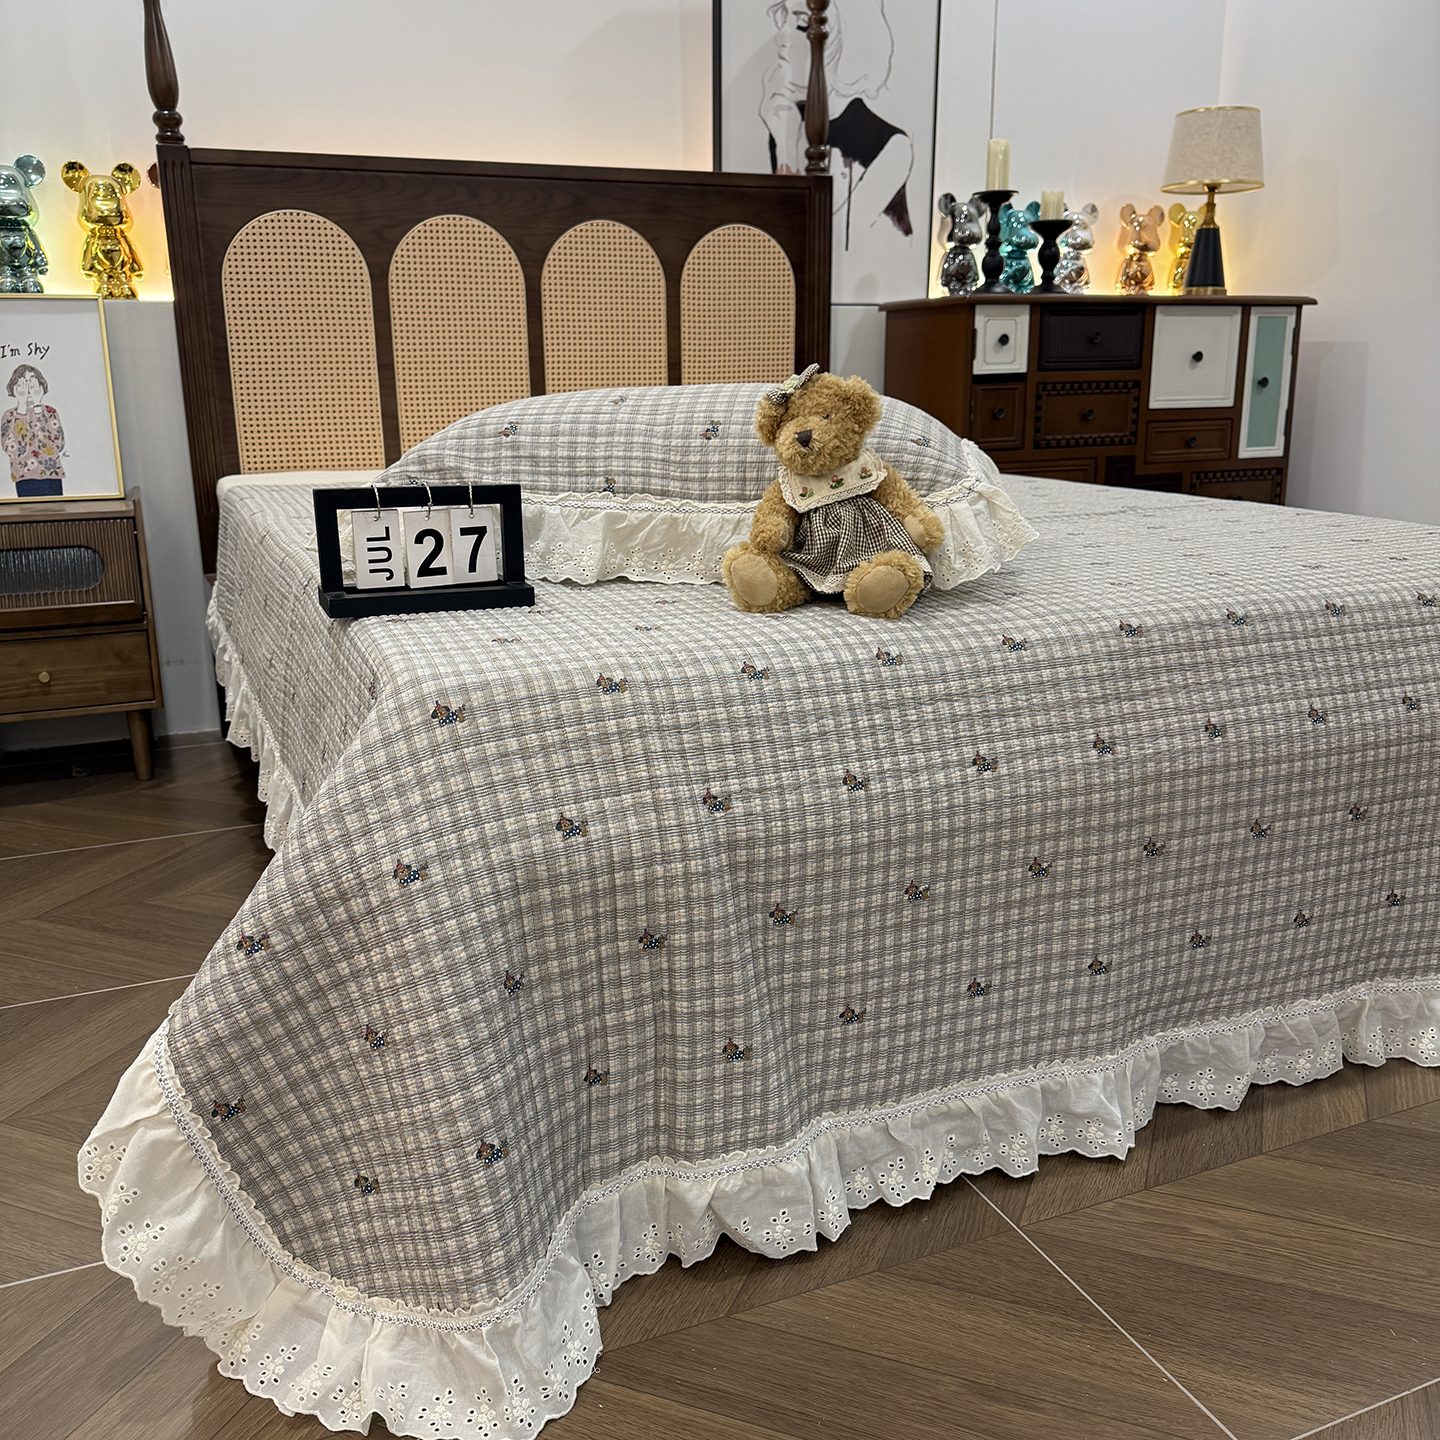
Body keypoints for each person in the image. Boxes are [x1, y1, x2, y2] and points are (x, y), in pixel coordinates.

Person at [760, 0, 915, 247]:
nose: (782, 38)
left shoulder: (893, 146)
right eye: (783, 20)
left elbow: (826, 245)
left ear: (842, 41)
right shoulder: (786, 126)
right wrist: (785, 147)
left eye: (801, 25)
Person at [1, 363, 65, 497]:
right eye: (23, 383)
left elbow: (57, 446)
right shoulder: (9, 416)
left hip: (51, 476)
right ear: (14, 387)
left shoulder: (50, 412)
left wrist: (37, 407)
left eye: (33, 382)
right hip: (24, 478)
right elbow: (13, 451)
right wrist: (21, 408)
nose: (29, 389)